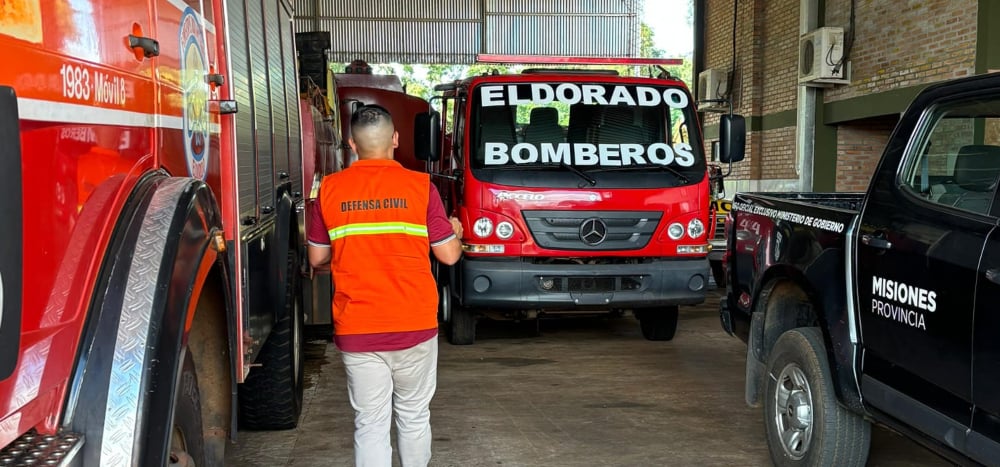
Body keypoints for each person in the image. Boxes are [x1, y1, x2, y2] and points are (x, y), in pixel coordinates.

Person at [307, 104, 463, 467]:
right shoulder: (420, 187)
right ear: (395, 139)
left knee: (370, 423)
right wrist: (453, 232)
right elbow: (449, 256)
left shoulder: (330, 189)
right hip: (414, 325)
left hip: (358, 327)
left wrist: (352, 254)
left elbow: (316, 259)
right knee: (413, 415)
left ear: (350, 143)